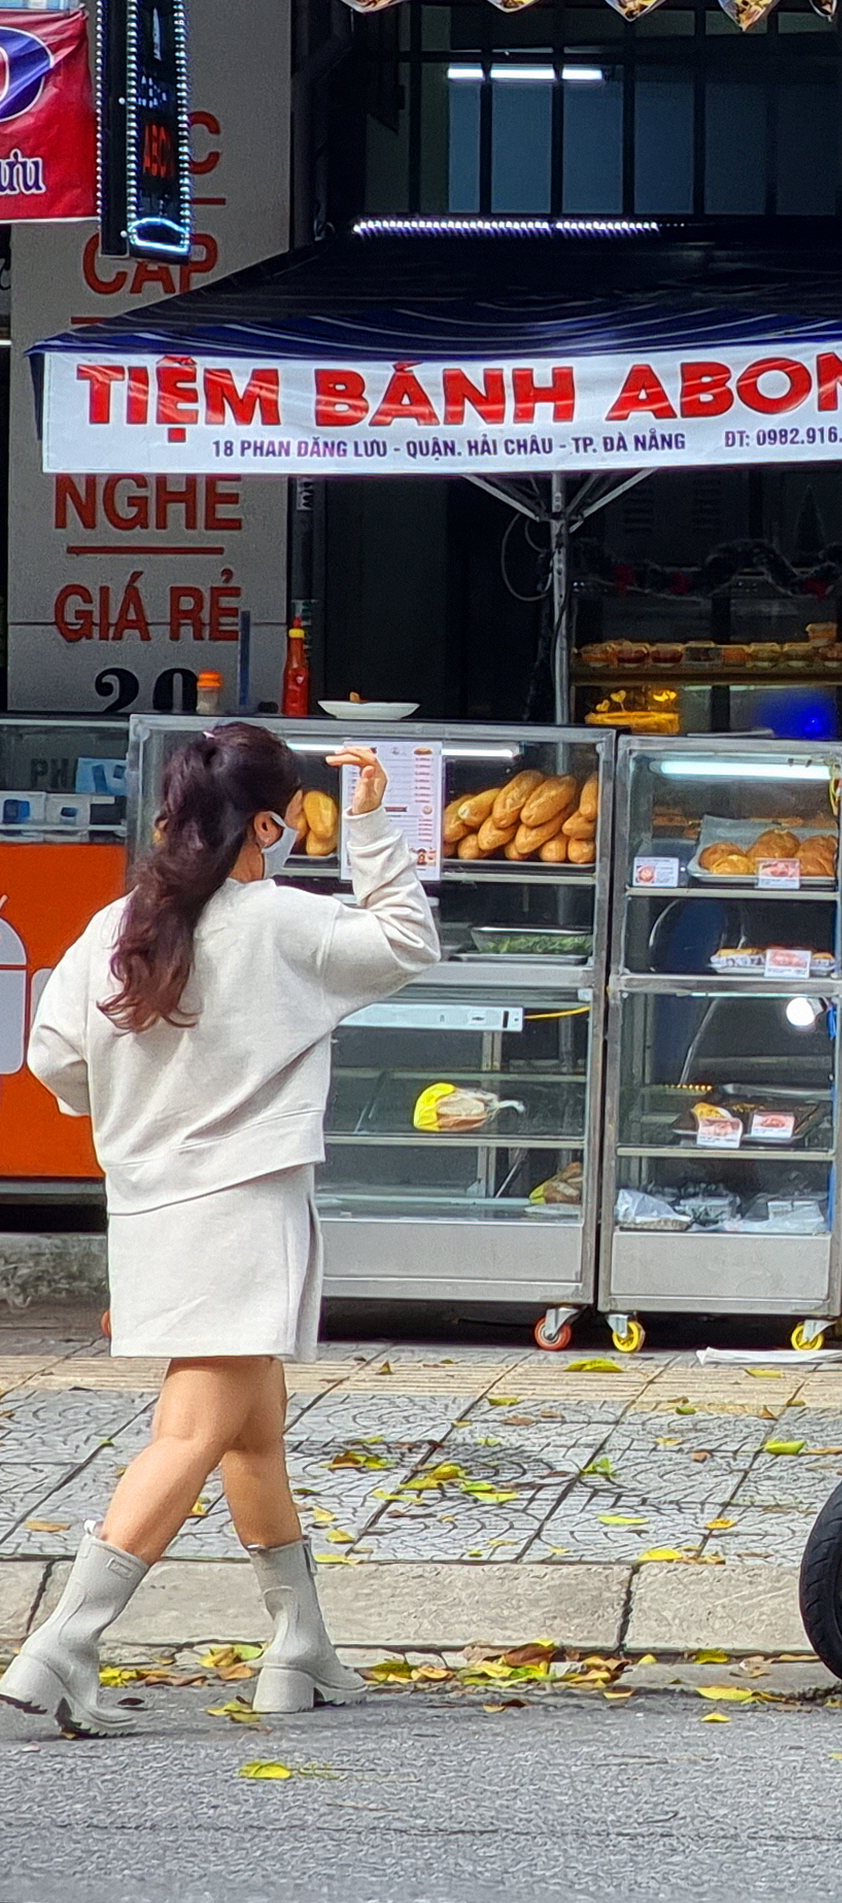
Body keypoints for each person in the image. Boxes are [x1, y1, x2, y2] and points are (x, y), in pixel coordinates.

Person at [9, 725, 436, 1740]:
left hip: (154, 1206)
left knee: (253, 1430)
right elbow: (408, 944)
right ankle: (63, 1643)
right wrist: (373, 821)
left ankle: (300, 1650)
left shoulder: (122, 924)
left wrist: (136, 1107)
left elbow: (53, 1061)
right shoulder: (282, 921)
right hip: (245, 1206)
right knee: (196, 1433)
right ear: (269, 824)